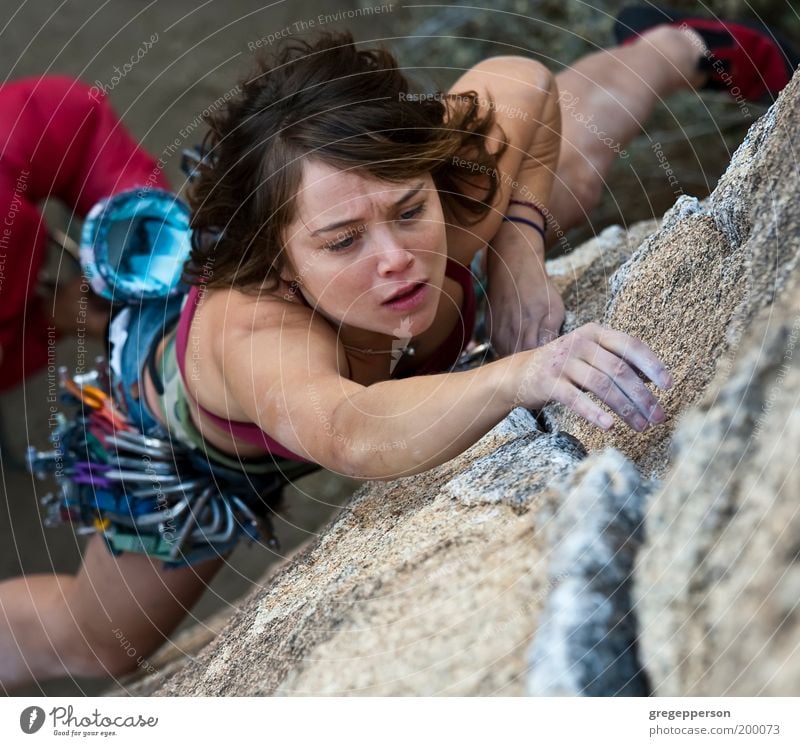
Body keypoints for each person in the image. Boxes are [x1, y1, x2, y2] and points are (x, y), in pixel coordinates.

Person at [1, 8, 796, 689]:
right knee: (97, 638)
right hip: (188, 445)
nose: (395, 259)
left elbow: (521, 76)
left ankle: (664, 46)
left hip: (367, 292)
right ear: (283, 261)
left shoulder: (432, 194)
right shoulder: (258, 336)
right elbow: (351, 428)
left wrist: (516, 250)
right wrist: (529, 371)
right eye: (344, 241)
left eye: (407, 209)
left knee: (566, 179)